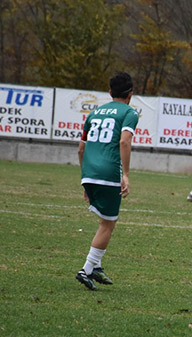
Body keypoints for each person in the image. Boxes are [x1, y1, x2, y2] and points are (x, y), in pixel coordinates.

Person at [75, 72, 138, 290]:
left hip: (88, 172)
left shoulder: (94, 113)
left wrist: (85, 179)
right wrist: (126, 174)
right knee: (108, 224)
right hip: (108, 172)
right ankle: (86, 269)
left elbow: (81, 149)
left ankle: (97, 266)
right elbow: (124, 142)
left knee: (105, 221)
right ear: (130, 94)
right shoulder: (129, 112)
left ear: (110, 92)